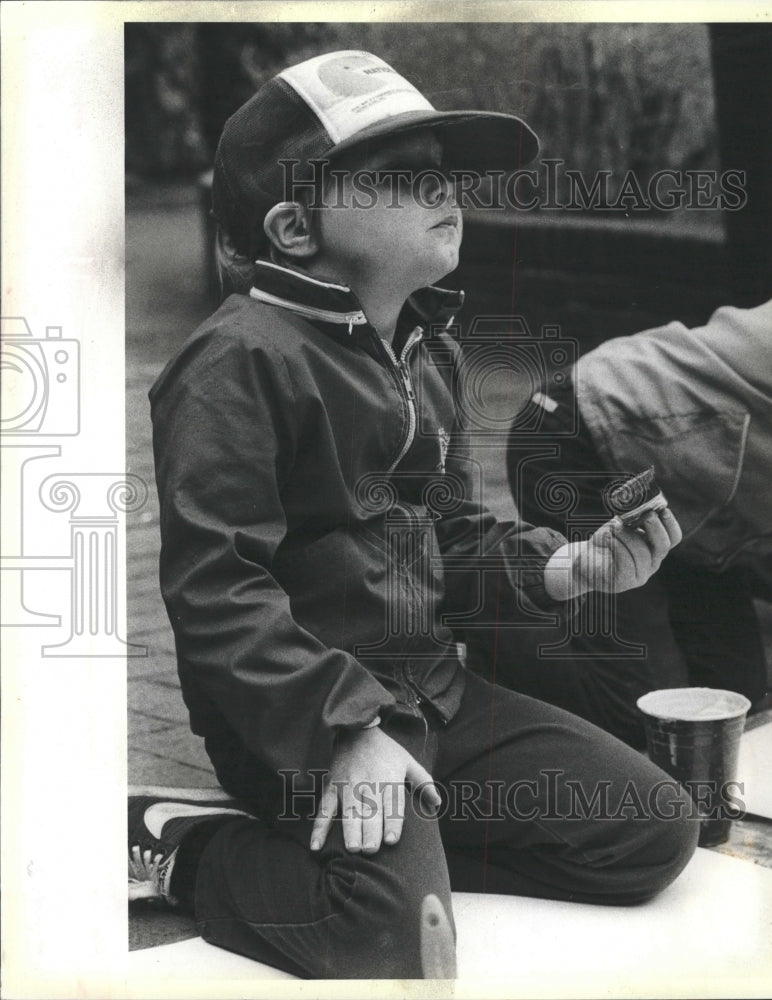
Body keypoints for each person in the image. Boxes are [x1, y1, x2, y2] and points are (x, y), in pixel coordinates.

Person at [129, 50, 698, 980]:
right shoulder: (237, 362)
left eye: (445, 169)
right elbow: (216, 591)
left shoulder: (423, 348)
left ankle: (400, 846)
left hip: (433, 697)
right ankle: (195, 849)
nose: (444, 189)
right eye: (401, 176)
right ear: (293, 226)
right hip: (304, 725)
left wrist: (572, 568)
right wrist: (344, 731)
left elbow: (452, 540)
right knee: (388, 941)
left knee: (654, 832)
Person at [504, 300, 772, 748]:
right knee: (643, 713)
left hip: (694, 504)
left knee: (734, 699)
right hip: (581, 437)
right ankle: (489, 654)